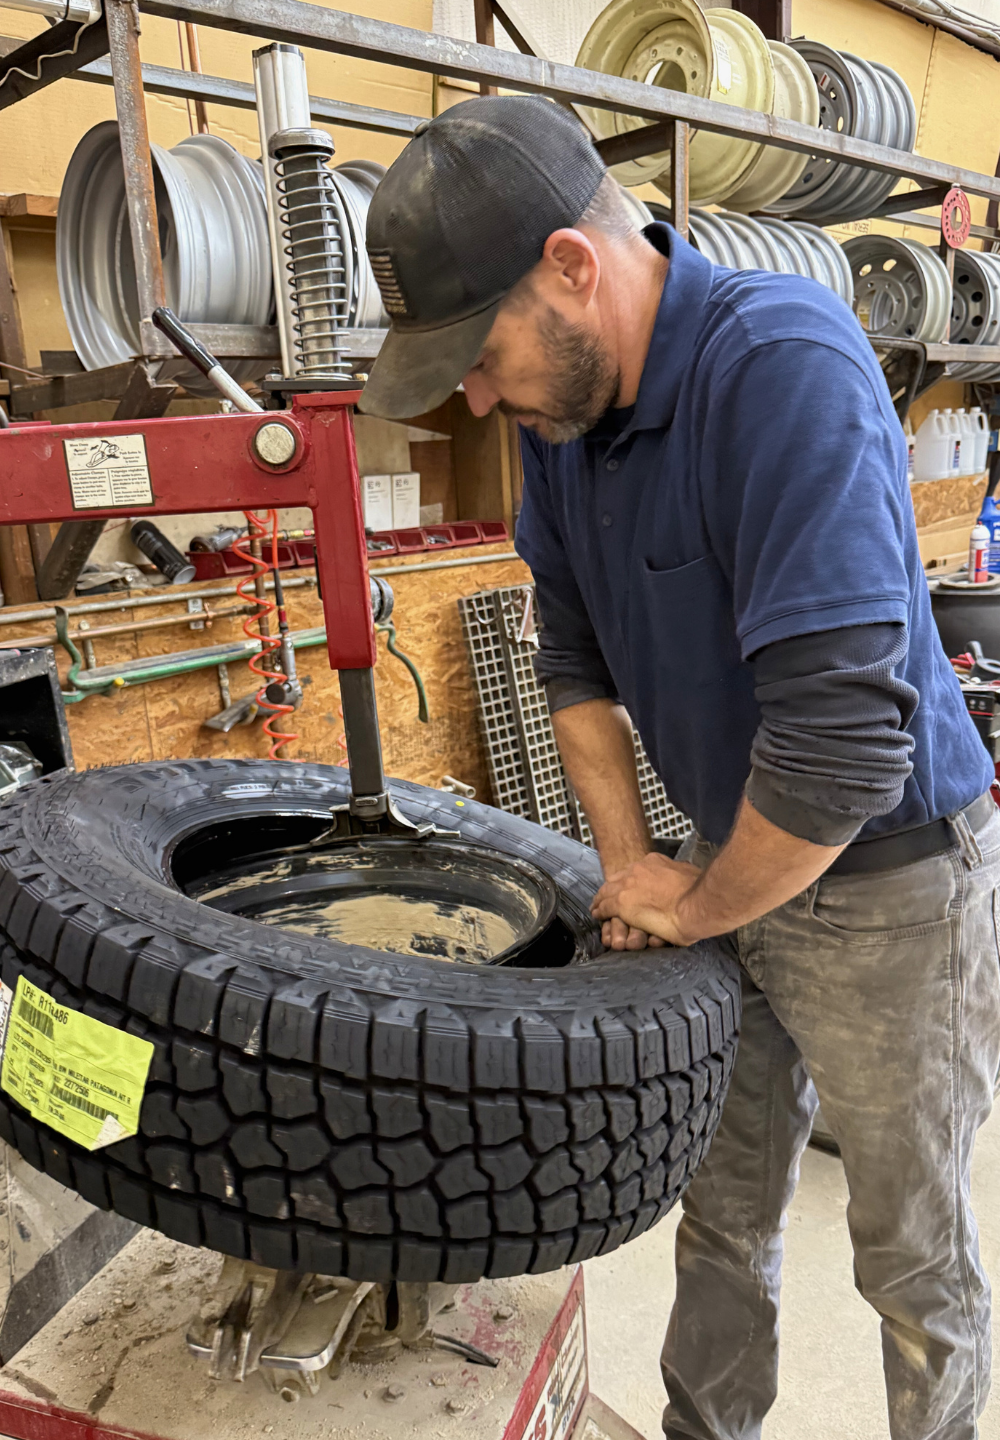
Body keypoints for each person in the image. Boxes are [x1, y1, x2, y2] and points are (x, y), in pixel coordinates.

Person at [359, 94, 1000, 1439]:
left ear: (574, 269)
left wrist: (697, 904)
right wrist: (631, 862)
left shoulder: (782, 372)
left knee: (910, 1260)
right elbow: (574, 667)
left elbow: (837, 747)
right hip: (723, 863)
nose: (476, 395)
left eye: (482, 354)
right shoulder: (563, 426)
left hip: (886, 890)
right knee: (720, 1221)